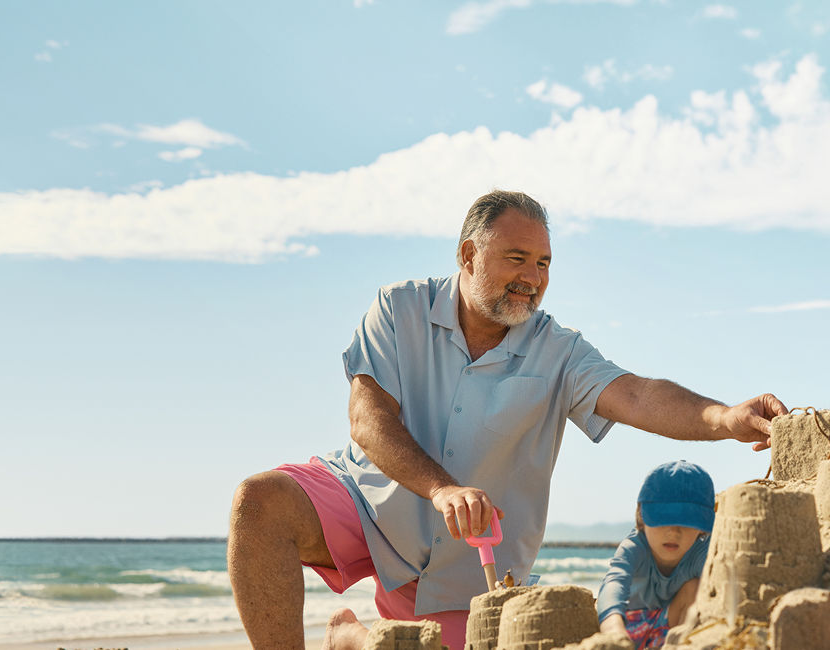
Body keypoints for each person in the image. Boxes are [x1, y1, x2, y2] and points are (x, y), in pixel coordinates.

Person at [226, 190, 787, 650]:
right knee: (260, 501)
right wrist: (441, 489)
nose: (533, 277)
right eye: (516, 258)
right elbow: (368, 420)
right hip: (370, 503)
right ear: (468, 256)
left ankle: (349, 638)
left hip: (471, 556)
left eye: (543, 263)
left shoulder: (560, 350)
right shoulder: (398, 308)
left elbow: (637, 395)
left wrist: (723, 416)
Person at [596, 461, 714, 650]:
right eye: (663, 519)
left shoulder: (701, 552)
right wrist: (613, 629)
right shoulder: (634, 547)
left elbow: (721, 585)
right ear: (642, 517)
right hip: (628, 628)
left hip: (671, 633)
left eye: (686, 522)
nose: (673, 532)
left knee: (696, 588)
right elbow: (613, 583)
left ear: (702, 528)